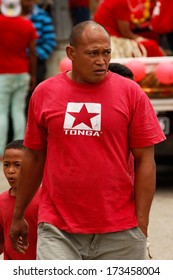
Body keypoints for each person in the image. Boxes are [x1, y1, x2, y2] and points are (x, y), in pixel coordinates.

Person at [9, 20, 166, 260]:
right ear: (71, 53)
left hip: (121, 232)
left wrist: (140, 225)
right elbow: (34, 156)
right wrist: (18, 214)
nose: (101, 60)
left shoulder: (131, 93)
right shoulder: (44, 92)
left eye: (106, 52)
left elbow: (145, 159)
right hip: (57, 230)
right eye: (93, 53)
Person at [0, 0, 38, 160]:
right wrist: (33, 75)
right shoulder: (27, 25)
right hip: (22, 72)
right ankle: (19, 151)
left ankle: (1, 151)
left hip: (3, 73)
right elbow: (32, 53)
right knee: (18, 111)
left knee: (1, 111)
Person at [0, 140, 40, 260]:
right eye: (6, 165)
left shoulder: (44, 198)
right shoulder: (1, 201)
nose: (10, 170)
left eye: (17, 165)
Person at [93, 0, 164, 57]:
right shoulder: (120, 1)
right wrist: (140, 38)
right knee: (151, 45)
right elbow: (125, 32)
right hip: (112, 40)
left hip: (105, 38)